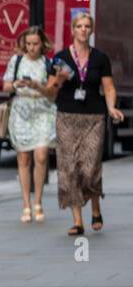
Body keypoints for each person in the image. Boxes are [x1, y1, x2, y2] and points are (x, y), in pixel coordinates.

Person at [52, 13, 124, 236]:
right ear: (72, 30)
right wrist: (59, 80)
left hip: (94, 117)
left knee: (90, 166)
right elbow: (51, 90)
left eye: (87, 26)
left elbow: (109, 87)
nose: (83, 30)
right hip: (67, 117)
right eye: (79, 26)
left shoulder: (100, 58)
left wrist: (111, 106)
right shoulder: (60, 58)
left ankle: (95, 207)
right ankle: (77, 221)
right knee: (70, 167)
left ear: (91, 31)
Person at [1, 26, 58, 224]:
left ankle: (38, 202)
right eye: (28, 44)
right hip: (21, 112)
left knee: (41, 155)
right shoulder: (16, 61)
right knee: (24, 158)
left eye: (35, 44)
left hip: (43, 111)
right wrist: (17, 84)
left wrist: (37, 86)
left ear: (42, 44)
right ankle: (26, 204)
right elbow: (5, 85)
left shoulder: (49, 63)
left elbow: (53, 93)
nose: (32, 48)